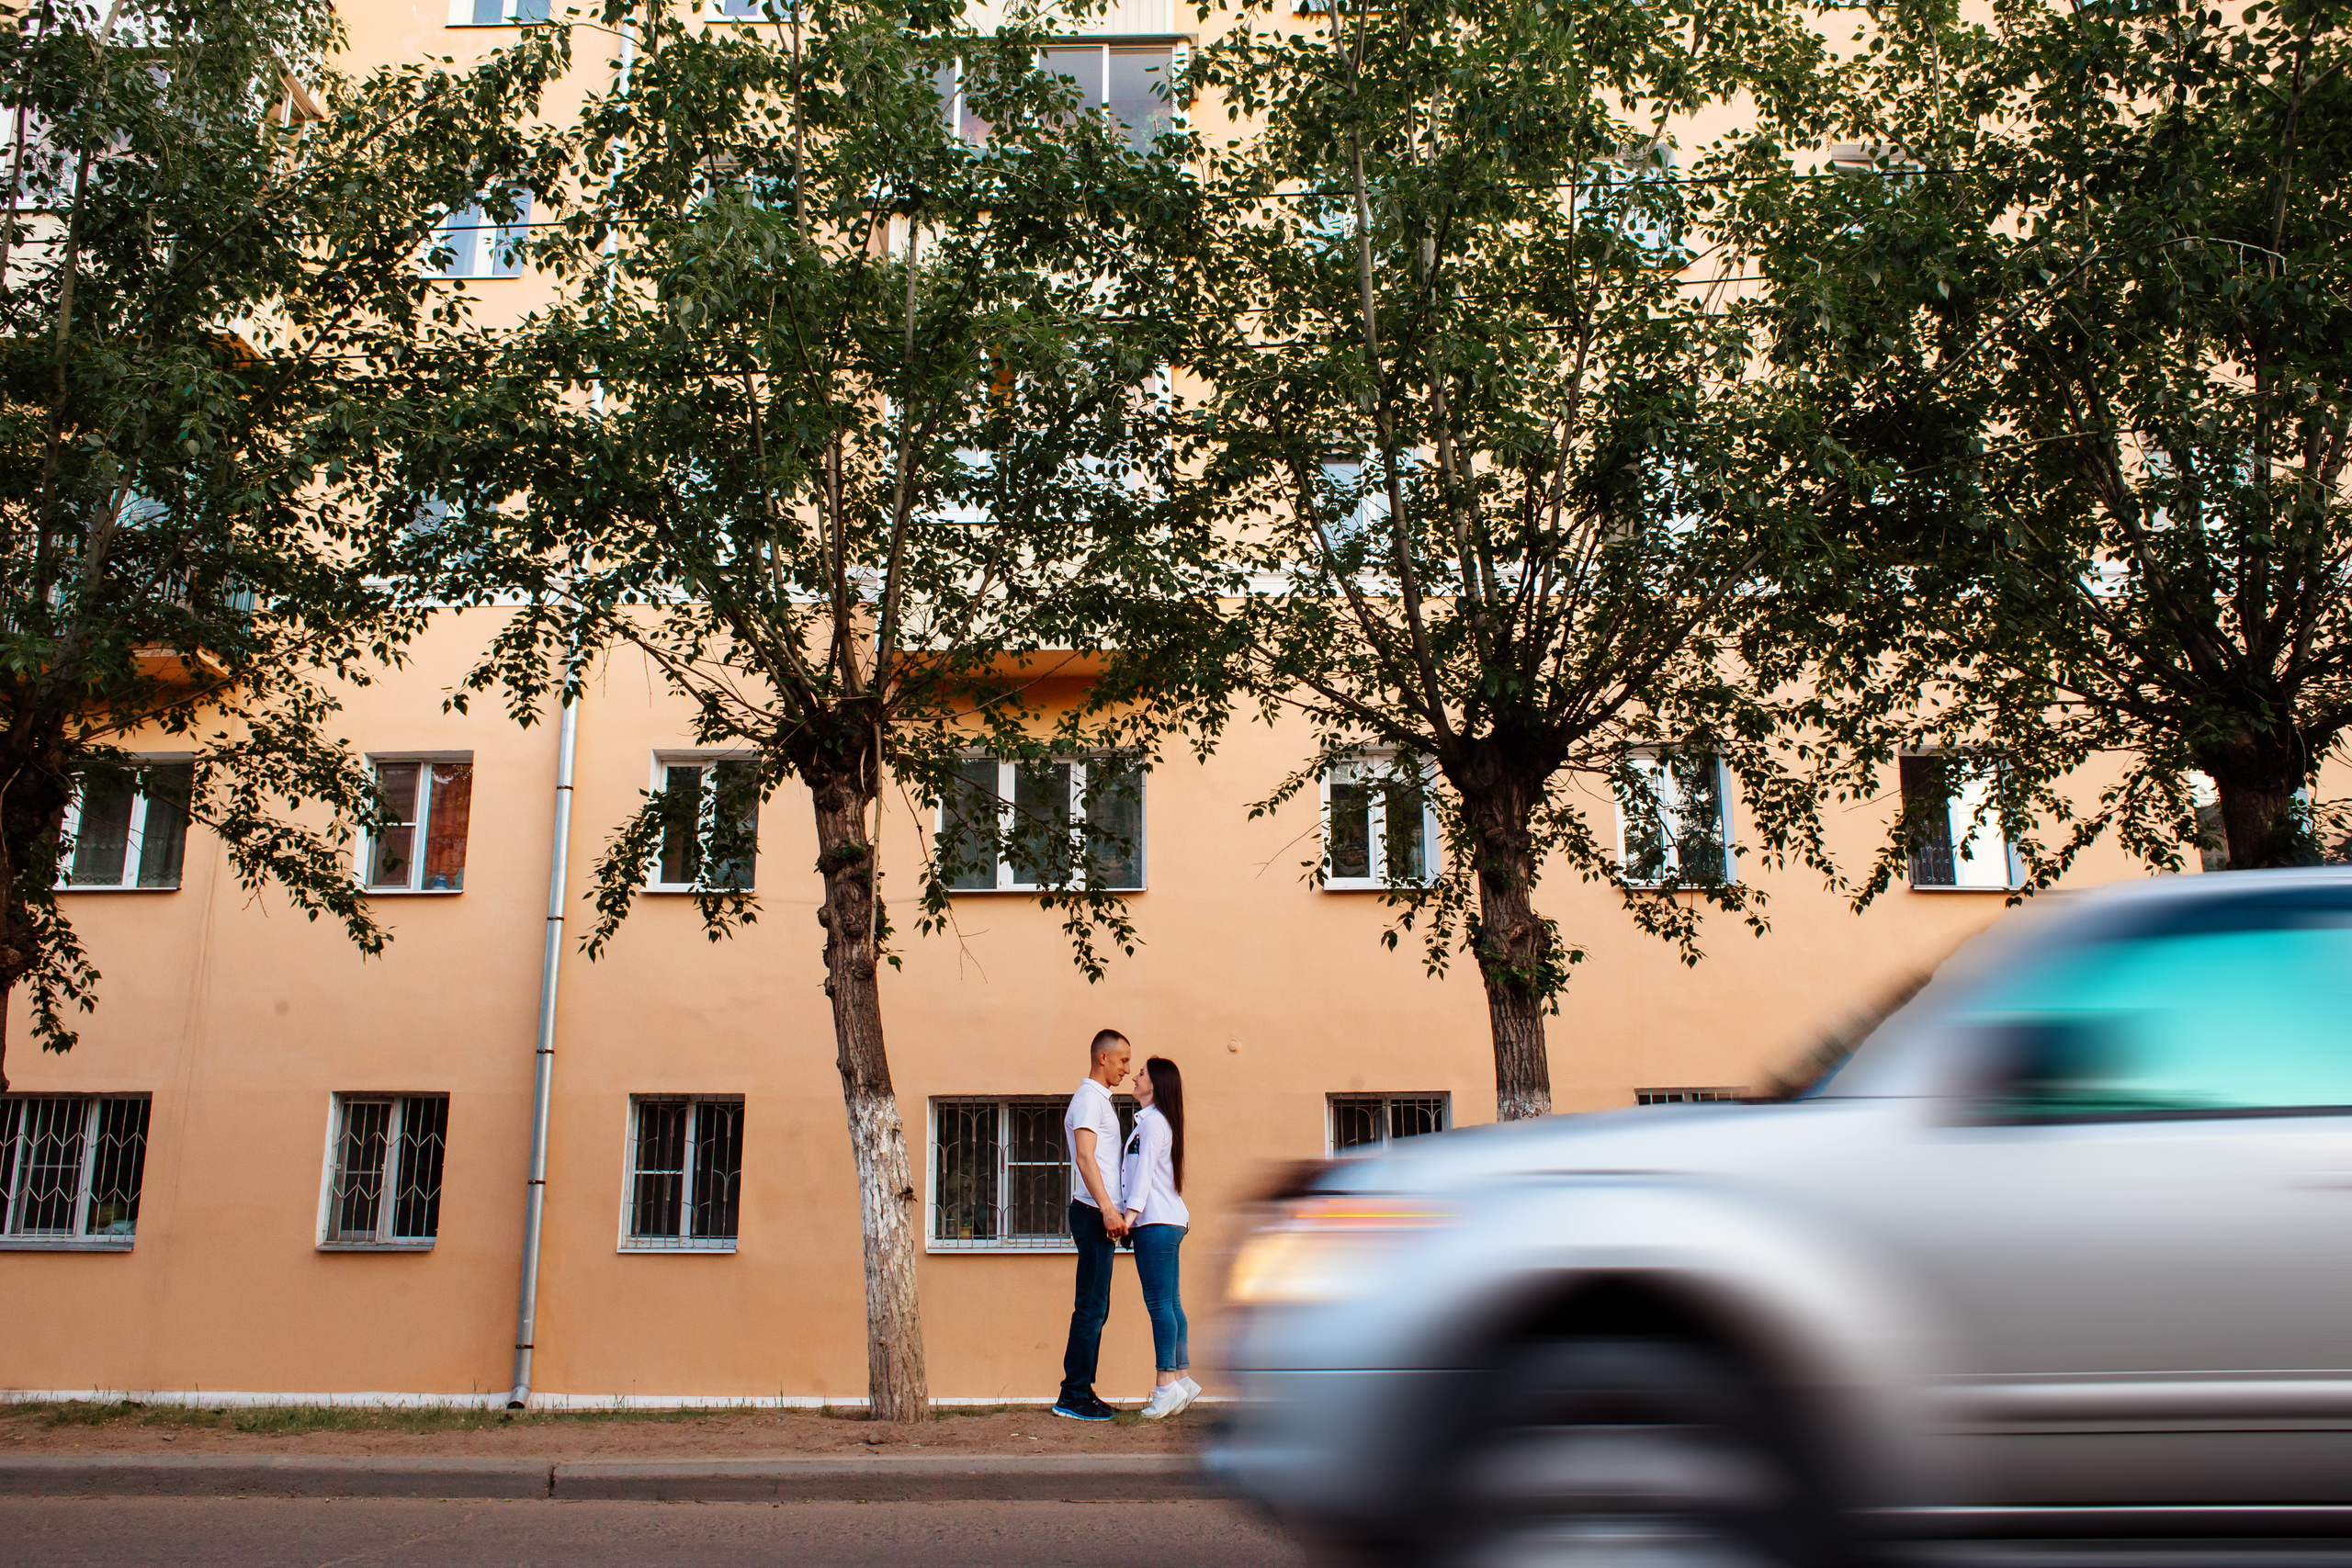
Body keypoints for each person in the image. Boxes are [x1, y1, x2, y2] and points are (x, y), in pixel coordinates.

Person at [1053, 1028, 1131, 1421]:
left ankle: (1083, 1389)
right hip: (1091, 1213)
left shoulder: (1100, 1100)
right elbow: (1085, 1158)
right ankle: (1073, 1395)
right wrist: (1107, 1209)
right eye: (1123, 1061)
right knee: (1090, 1308)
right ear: (1103, 1058)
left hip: (1099, 1214)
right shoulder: (1088, 1099)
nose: (1126, 1069)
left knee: (1097, 1307)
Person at [1123, 1055, 1201, 1419]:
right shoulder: (1156, 1122)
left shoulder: (1153, 1125)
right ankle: (1181, 1380)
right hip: (1167, 1222)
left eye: (1140, 1074)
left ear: (1155, 1084)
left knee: (1159, 1304)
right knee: (1170, 1301)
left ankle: (1165, 1387)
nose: (1134, 1078)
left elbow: (1142, 1180)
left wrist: (1128, 1218)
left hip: (1155, 1223)